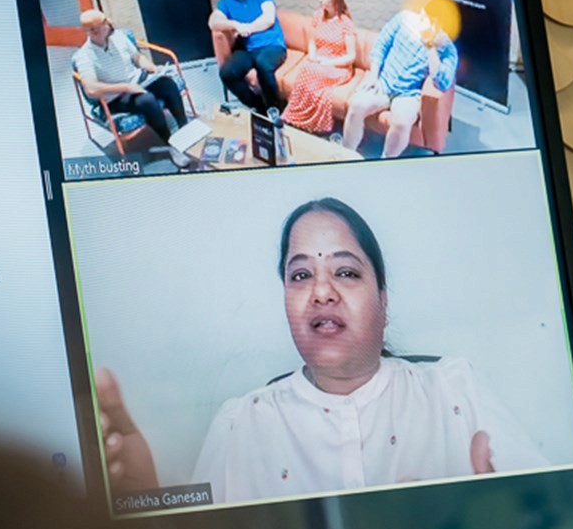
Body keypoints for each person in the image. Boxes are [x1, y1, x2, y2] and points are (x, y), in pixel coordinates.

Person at [97, 197, 545, 503]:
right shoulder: (243, 423)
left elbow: (560, 528)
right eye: (300, 275)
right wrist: (148, 509)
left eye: (346, 273)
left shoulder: (454, 388)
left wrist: (509, 522)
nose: (322, 292)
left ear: (383, 301)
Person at [74, 9, 191, 168]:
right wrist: (126, 87)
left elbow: (137, 57)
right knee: (147, 100)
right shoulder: (84, 56)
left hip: (138, 81)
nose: (110, 22)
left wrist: (150, 67)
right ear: (93, 31)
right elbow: (91, 89)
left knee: (167, 84)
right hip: (116, 96)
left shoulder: (119, 37)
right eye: (104, 23)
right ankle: (171, 144)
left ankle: (184, 130)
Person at [341, 1, 458, 158]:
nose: (425, 26)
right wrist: (373, 75)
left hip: (409, 94)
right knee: (356, 105)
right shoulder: (404, 19)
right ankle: (346, 152)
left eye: (433, 25)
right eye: (424, 19)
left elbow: (442, 82)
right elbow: (381, 45)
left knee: (402, 122)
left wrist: (432, 47)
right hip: (383, 82)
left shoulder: (447, 49)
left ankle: (386, 161)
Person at [281, 0, 358, 135]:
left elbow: (351, 56)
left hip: (338, 65)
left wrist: (329, 62)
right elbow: (312, 42)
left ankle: (313, 124)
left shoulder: (346, 23)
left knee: (313, 74)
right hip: (320, 59)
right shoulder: (318, 16)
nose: (320, 0)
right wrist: (313, 55)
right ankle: (297, 118)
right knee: (306, 70)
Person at [209, 0, 288, 114]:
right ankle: (259, 107)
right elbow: (213, 22)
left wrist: (248, 28)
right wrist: (235, 25)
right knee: (227, 73)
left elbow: (269, 18)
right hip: (247, 49)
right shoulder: (226, 2)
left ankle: (275, 110)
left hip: (272, 46)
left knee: (263, 64)